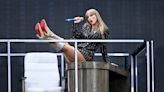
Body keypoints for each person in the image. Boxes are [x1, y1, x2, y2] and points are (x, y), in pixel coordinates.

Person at [35, 9, 109, 63]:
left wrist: (107, 62)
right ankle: (48, 34)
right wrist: (75, 23)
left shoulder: (103, 30)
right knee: (64, 42)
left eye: (91, 15)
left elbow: (103, 47)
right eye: (88, 17)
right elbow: (76, 37)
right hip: (77, 50)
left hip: (86, 56)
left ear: (97, 16)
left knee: (66, 47)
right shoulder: (87, 27)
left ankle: (46, 37)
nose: (89, 18)